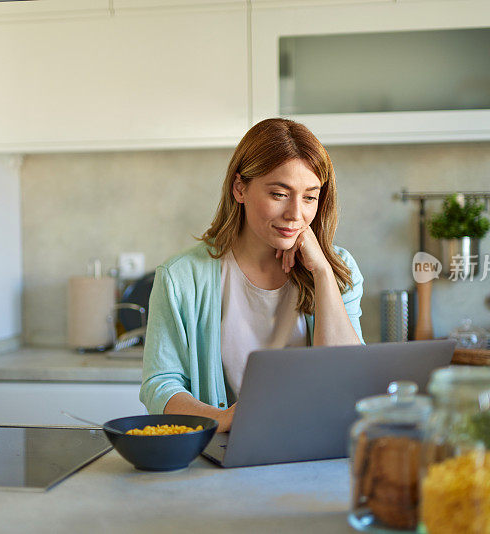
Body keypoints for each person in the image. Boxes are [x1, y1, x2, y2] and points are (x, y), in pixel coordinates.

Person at [139, 118, 364, 432]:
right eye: (279, 194)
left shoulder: (339, 268)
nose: (296, 215)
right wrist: (222, 419)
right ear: (239, 188)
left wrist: (324, 274)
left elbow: (349, 379)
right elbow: (160, 385)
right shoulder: (180, 278)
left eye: (310, 197)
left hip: (317, 449)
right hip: (224, 454)